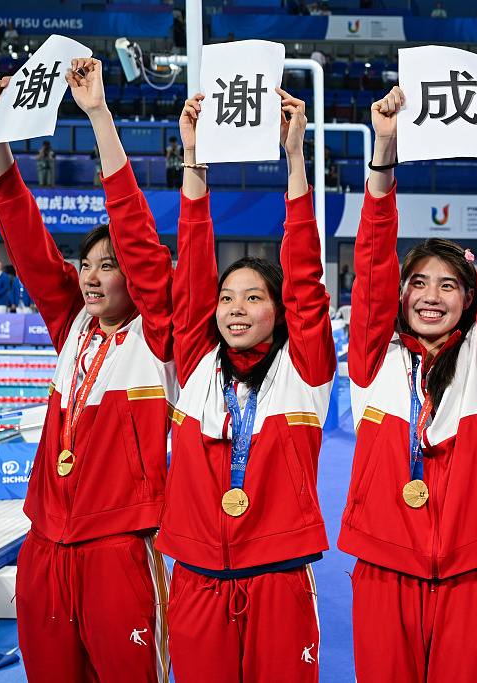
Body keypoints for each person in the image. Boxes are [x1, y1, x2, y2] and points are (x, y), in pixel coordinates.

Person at [0, 66, 175, 682]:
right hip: (45, 547)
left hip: (120, 549)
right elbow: (28, 244)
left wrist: (97, 117)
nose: (91, 276)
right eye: (85, 264)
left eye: (108, 266)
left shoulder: (161, 336)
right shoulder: (73, 328)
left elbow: (141, 240)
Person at [339, 85, 477, 683]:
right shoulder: (375, 359)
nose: (430, 296)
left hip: (470, 569)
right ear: (401, 294)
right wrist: (384, 151)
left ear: (470, 299)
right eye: (419, 282)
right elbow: (371, 262)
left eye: (449, 285)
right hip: (383, 562)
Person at [151, 88, 334, 682]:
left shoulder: (304, 372)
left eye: (254, 297)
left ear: (279, 312)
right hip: (198, 575)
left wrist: (296, 160)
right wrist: (194, 163)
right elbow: (193, 264)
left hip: (279, 574)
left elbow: (306, 278)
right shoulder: (199, 362)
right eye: (227, 298)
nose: (234, 308)